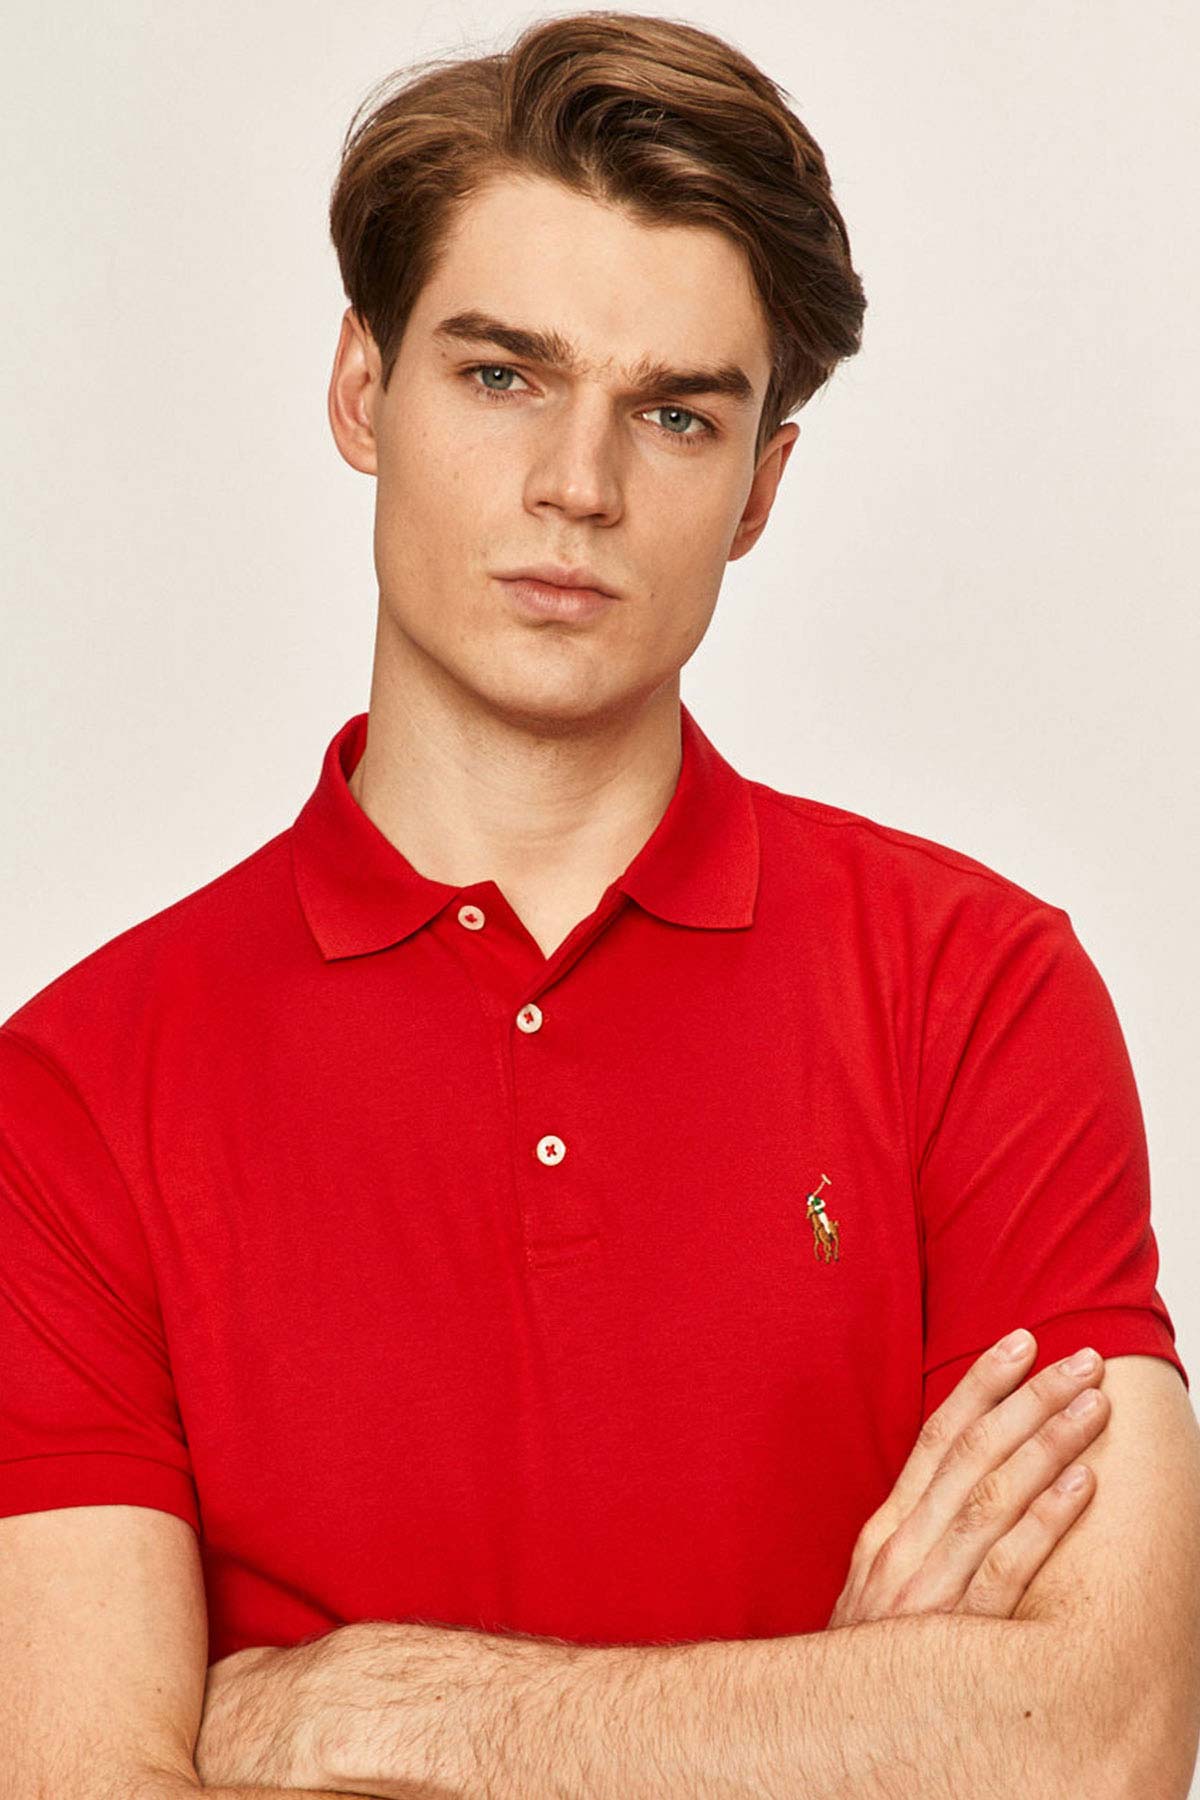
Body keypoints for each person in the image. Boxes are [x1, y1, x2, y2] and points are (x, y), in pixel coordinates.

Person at [3, 12, 1198, 1799]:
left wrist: (375, 1710)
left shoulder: (976, 994)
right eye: (503, 376)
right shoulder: (77, 1091)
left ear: (760, 488)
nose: (580, 484)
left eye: (676, 413)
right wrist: (850, 1721)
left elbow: (1100, 1741)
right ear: (361, 391)